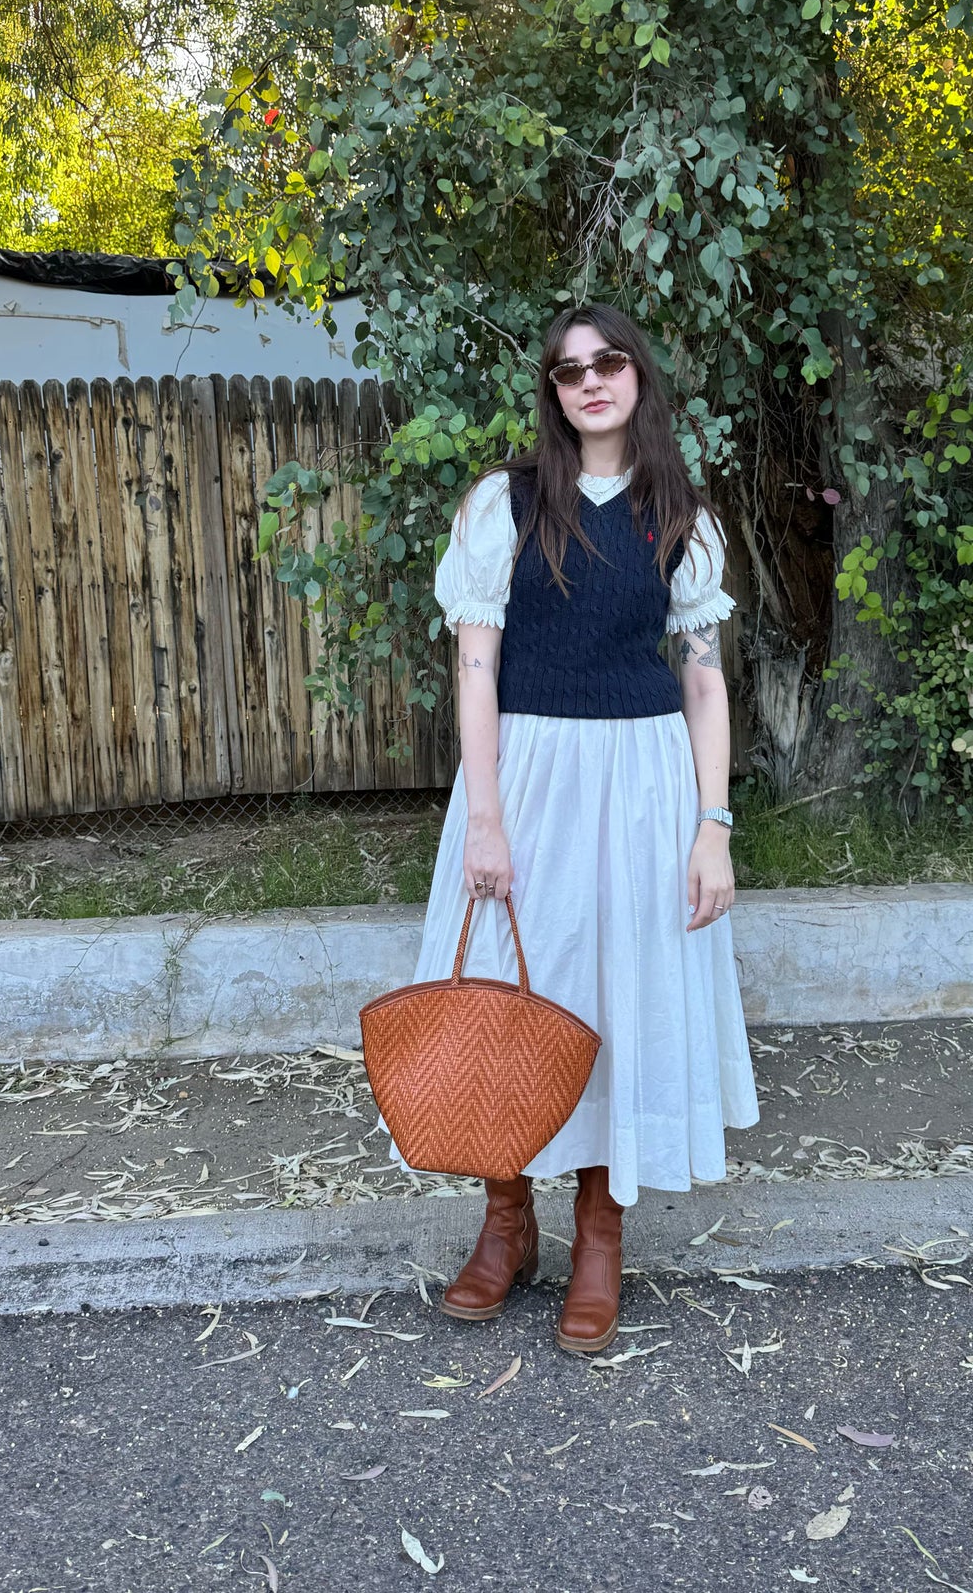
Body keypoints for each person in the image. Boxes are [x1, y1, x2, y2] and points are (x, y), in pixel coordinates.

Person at [396, 301, 759, 1354]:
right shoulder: (504, 505)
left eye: (606, 363)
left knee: (616, 994)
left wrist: (712, 826)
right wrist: (485, 818)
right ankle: (505, 1221)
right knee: (518, 994)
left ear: (637, 375)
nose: (589, 381)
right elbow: (473, 668)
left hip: (644, 784)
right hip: (529, 778)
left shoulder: (683, 515)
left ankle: (598, 1231)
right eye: (567, 371)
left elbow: (702, 684)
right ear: (551, 393)